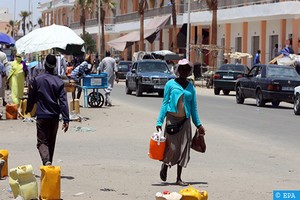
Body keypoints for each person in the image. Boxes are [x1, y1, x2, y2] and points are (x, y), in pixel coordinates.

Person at [156, 59, 205, 186]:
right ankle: (165, 165)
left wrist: (199, 125)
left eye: (186, 69)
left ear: (189, 71)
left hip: (185, 122)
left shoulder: (191, 88)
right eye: (181, 69)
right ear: (178, 71)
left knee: (184, 149)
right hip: (172, 120)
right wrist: (159, 121)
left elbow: (194, 108)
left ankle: (178, 178)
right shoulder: (170, 84)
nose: (184, 71)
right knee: (171, 147)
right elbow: (165, 103)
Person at [26, 54, 69, 166]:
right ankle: (48, 166)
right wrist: (66, 119)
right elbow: (63, 101)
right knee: (51, 142)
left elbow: (31, 97)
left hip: (42, 116)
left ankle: (46, 162)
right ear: (54, 66)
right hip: (54, 116)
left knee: (42, 142)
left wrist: (28, 109)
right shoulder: (58, 81)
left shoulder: (37, 80)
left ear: (44, 65)